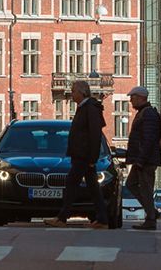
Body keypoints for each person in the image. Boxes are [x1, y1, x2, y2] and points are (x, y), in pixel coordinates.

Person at [45, 80, 109, 229]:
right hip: (82, 155)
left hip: (84, 156)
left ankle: (62, 217)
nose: (72, 94)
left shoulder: (90, 109)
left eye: (74, 91)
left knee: (71, 184)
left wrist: (92, 158)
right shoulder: (84, 108)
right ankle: (102, 219)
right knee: (92, 187)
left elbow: (95, 134)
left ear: (81, 92)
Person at [125, 85, 161, 230]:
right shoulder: (144, 113)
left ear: (141, 98)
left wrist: (140, 160)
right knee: (131, 184)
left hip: (145, 160)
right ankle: (151, 212)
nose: (131, 101)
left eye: (133, 98)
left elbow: (148, 139)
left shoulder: (148, 114)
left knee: (146, 189)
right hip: (142, 159)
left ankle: (151, 218)